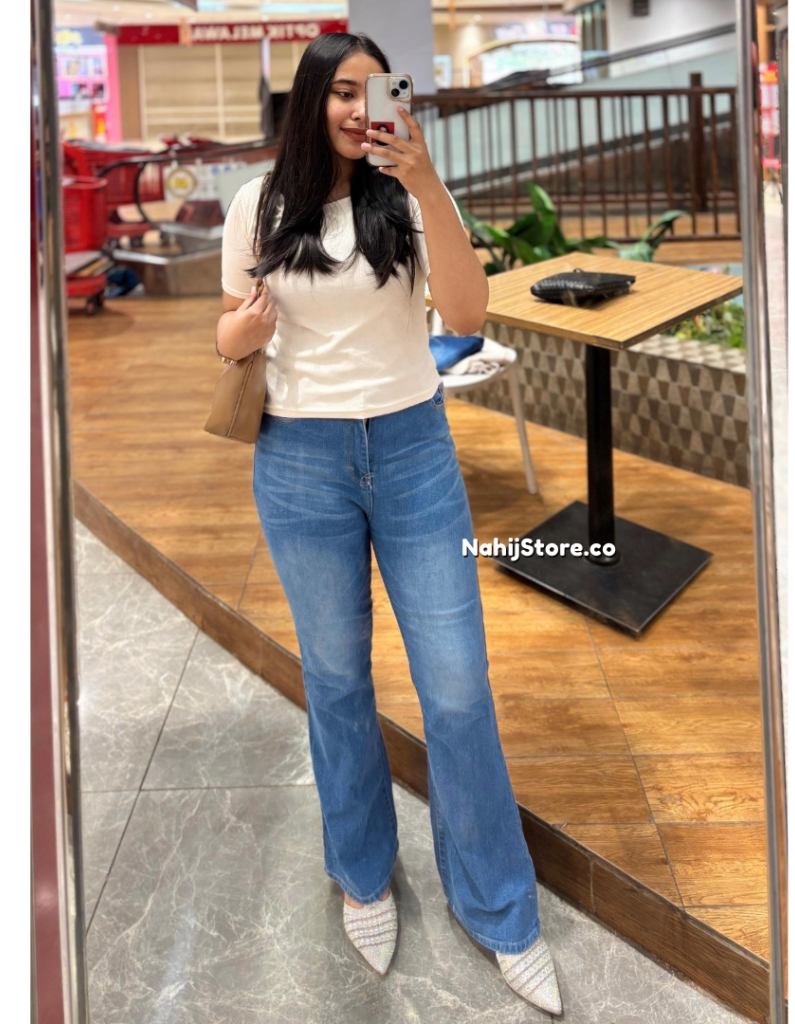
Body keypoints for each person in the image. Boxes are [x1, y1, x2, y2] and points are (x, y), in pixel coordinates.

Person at [216, 31, 563, 1016]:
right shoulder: (258, 204)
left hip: (412, 450)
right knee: (334, 680)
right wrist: (244, 330)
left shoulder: (404, 199)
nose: (358, 107)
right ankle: (363, 873)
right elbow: (226, 333)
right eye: (342, 90)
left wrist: (427, 180)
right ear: (310, 100)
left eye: (375, 90)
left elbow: (468, 312)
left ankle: (499, 905)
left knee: (455, 686)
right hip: (298, 461)